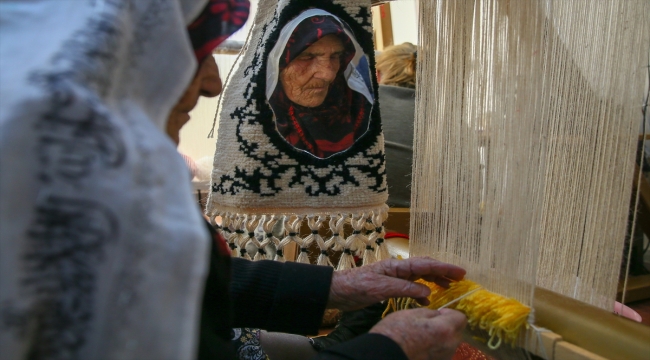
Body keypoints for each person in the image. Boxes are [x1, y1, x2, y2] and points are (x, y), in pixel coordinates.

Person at [0, 2, 467, 360]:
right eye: (196, 54)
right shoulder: (52, 200)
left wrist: (339, 287)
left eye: (333, 58)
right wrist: (385, 350)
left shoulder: (83, 180)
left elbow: (185, 282)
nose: (211, 84)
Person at [267, 15, 373, 159]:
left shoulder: (360, 106)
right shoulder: (252, 126)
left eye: (336, 56)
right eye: (306, 57)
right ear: (276, 64)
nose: (328, 75)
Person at [375, 42, 418, 208]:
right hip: (440, 226)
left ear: (377, 75)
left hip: (369, 225)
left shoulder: (362, 107)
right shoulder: (446, 113)